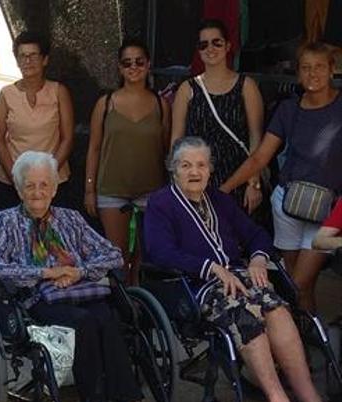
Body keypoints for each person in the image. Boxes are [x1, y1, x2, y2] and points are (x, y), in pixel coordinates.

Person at [144, 137, 342, 402]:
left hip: (241, 278)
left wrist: (259, 258)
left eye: (200, 165)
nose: (194, 171)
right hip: (198, 285)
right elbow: (160, 252)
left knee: (276, 308)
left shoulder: (219, 200)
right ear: (173, 170)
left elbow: (256, 235)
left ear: (210, 170)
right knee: (245, 318)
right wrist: (210, 267)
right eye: (185, 165)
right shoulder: (161, 203)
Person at [0, 151, 167, 402]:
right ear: (18, 189)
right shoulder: (4, 223)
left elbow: (112, 254)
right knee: (84, 323)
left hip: (82, 290)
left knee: (108, 317)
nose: (37, 192)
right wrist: (48, 273)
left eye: (44, 185)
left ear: (55, 188)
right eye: (29, 186)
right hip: (36, 301)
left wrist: (77, 271)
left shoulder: (70, 219)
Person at [220, 42, 342, 313]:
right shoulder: (288, 109)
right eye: (306, 68)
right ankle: (307, 340)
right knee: (302, 286)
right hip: (286, 204)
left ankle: (290, 338)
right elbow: (260, 158)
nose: (313, 74)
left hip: (332, 213)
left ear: (332, 70)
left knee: (297, 283)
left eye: (320, 67)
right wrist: (224, 189)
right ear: (297, 73)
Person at [84, 38, 169, 283]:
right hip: (111, 190)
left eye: (139, 62)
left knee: (143, 257)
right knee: (118, 257)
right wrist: (90, 188)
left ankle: (140, 308)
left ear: (148, 65)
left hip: (151, 192)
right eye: (127, 62)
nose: (133, 67)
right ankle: (120, 309)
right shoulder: (105, 103)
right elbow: (94, 148)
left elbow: (166, 149)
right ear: (119, 68)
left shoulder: (161, 105)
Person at [171, 19, 264, 212]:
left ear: (228, 46)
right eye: (203, 44)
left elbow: (256, 137)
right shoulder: (187, 89)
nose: (210, 48)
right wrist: (177, 181)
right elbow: (176, 140)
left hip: (239, 179)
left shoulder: (246, 86)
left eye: (216, 42)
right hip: (196, 180)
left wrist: (253, 182)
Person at [0, 30, 74, 212]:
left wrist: (49, 172)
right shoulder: (6, 94)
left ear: (45, 60)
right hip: (12, 183)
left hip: (52, 183)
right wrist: (16, 177)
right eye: (22, 56)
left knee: (52, 238)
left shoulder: (58, 92)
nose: (27, 61)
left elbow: (67, 138)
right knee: (14, 237)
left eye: (33, 55)